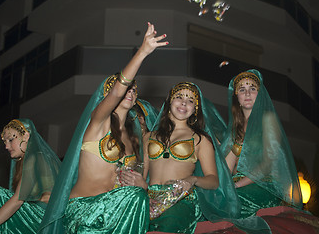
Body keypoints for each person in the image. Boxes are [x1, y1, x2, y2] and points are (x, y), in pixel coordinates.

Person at [38, 22, 167, 234]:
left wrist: (142, 184)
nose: (130, 91)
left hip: (113, 212)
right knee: (135, 198)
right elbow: (117, 91)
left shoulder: (133, 137)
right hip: (84, 210)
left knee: (138, 196)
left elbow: (137, 186)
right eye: (127, 87)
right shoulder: (99, 122)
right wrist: (143, 52)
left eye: (134, 89)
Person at [129, 82, 240, 234]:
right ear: (169, 102)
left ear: (195, 109)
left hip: (181, 199)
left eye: (190, 100)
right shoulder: (149, 136)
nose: (183, 102)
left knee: (165, 228)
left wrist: (193, 180)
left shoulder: (200, 139)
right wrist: (141, 188)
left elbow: (213, 181)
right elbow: (143, 172)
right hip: (150, 197)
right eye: (179, 97)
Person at [221, 69, 303, 217]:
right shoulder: (235, 128)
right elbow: (226, 167)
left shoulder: (268, 119)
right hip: (236, 186)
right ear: (236, 97)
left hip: (263, 186)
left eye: (252, 89)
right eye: (242, 90)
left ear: (260, 94)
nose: (247, 94)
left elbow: (268, 163)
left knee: (230, 202)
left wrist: (236, 186)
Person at [0, 119, 61, 234]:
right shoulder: (28, 160)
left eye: (11, 140)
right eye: (5, 142)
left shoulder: (35, 158)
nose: (6, 146)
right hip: (44, 217)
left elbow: (18, 200)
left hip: (44, 218)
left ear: (26, 136)